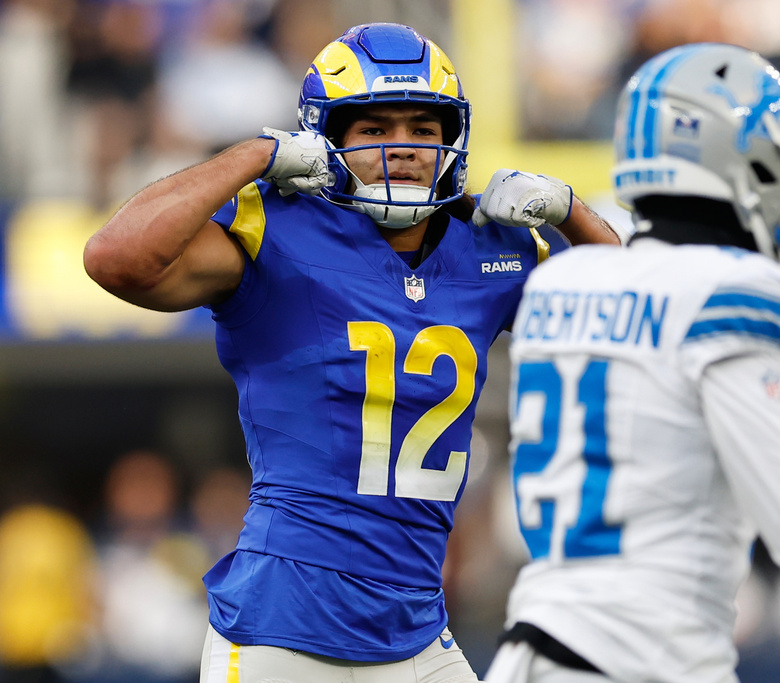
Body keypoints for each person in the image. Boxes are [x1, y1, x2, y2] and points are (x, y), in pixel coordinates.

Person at [83, 22, 620, 683]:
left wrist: (571, 211)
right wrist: (252, 155)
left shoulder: (489, 247)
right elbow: (115, 258)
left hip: (415, 631)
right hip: (281, 632)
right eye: (374, 130)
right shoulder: (276, 228)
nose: (402, 149)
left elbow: (633, 319)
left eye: (422, 129)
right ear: (325, 138)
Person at [487, 43, 780, 683]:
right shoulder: (734, 289)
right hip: (640, 659)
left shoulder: (563, 282)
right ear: (741, 161)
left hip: (528, 650)